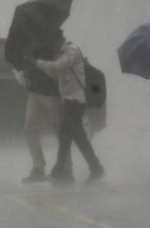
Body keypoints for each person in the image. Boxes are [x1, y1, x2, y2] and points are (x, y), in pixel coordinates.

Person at [27, 30, 105, 184]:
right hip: (69, 101)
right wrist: (40, 67)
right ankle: (96, 168)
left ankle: (58, 170)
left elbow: (58, 67)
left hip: (76, 101)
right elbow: (56, 73)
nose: (52, 48)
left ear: (58, 40)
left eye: (53, 43)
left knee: (65, 137)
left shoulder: (72, 51)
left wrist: (36, 62)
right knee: (78, 138)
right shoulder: (62, 53)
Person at [15, 44, 71, 183]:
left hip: (50, 92)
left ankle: (66, 168)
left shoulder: (50, 43)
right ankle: (38, 167)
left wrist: (36, 62)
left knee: (58, 130)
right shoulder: (29, 44)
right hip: (35, 91)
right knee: (30, 128)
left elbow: (55, 70)